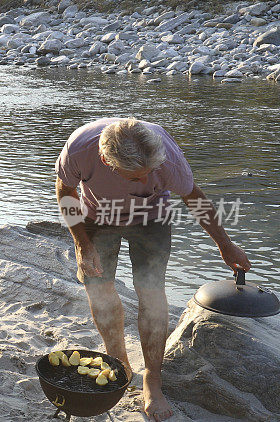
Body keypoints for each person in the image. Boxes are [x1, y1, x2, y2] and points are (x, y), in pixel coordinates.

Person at [55, 118, 250, 421]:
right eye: (135, 178)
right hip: (97, 216)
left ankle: (152, 379)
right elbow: (65, 189)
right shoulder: (80, 148)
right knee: (98, 287)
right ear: (106, 161)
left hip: (151, 218)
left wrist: (225, 244)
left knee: (151, 292)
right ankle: (118, 360)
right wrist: (82, 244)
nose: (144, 182)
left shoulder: (166, 156)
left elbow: (193, 197)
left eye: (148, 175)